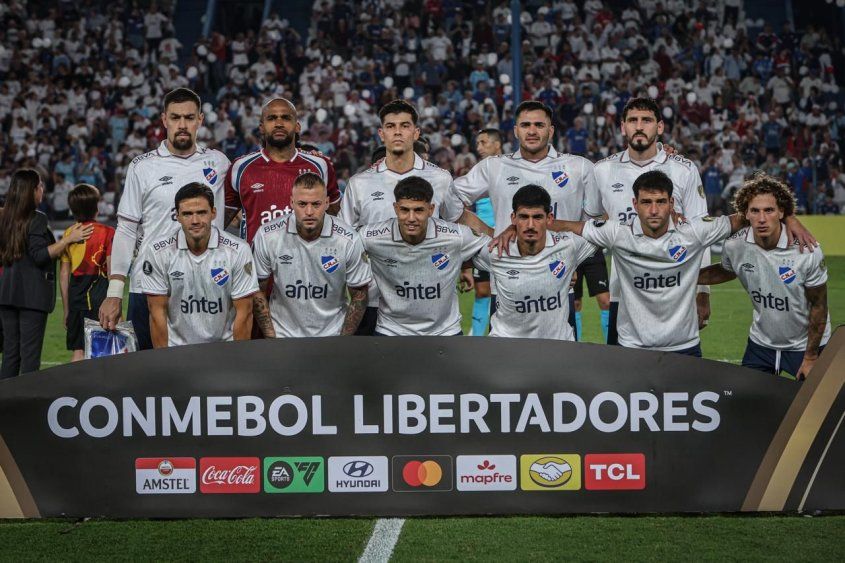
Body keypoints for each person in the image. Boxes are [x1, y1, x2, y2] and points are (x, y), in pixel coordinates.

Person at [444, 100, 602, 337]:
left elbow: (592, 225)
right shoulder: (494, 167)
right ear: (515, 130)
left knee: (561, 363)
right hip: (507, 283)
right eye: (525, 125)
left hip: (558, 282)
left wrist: (574, 260)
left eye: (539, 125)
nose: (532, 131)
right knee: (504, 365)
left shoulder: (578, 167)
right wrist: (491, 233)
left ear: (551, 130)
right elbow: (449, 198)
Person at [553, 170, 751, 356]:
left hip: (684, 346)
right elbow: (561, 226)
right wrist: (567, 264)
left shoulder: (694, 232)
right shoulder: (618, 233)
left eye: (661, 202)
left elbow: (747, 218)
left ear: (672, 203)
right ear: (635, 203)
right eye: (646, 202)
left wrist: (781, 217)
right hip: (633, 348)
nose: (654, 210)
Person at [99, 88, 231, 350]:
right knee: (150, 374)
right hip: (149, 283)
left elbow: (229, 216)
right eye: (175, 117)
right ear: (164, 119)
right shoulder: (142, 166)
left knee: (204, 369)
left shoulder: (219, 163)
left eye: (189, 117)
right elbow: (126, 230)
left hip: (205, 283)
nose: (182, 125)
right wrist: (114, 293)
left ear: (200, 120)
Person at [698, 174, 830, 380]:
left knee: (815, 407)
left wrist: (811, 357)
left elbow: (819, 307)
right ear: (745, 214)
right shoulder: (735, 245)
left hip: (804, 347)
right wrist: (685, 277)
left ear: (781, 213)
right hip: (761, 345)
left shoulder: (807, 252)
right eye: (755, 211)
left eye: (769, 210)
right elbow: (727, 270)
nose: (761, 219)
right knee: (748, 404)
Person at [340, 100, 455, 334]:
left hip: (429, 300)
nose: (398, 132)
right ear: (382, 134)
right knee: (373, 370)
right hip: (372, 299)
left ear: (416, 133)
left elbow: (455, 229)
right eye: (391, 126)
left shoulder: (441, 179)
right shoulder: (360, 184)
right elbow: (344, 239)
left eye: (405, 125)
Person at [361, 176, 489, 336]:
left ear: (431, 209)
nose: (411, 218)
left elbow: (499, 254)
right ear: (395, 208)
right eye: (405, 210)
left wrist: (514, 234)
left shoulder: (456, 236)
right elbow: (341, 249)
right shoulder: (371, 237)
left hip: (445, 333)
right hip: (391, 332)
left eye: (419, 210)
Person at [251, 172, 371, 337]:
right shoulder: (267, 235)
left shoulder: (349, 239)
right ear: (291, 203)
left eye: (316, 204)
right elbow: (258, 289)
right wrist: (271, 335)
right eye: (302, 204)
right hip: (283, 335)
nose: (309, 211)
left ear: (327, 203)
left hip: (332, 335)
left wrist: (343, 339)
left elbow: (360, 292)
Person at [140, 183, 258, 347]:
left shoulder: (238, 250)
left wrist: (236, 360)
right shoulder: (158, 251)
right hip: (178, 351)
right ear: (177, 216)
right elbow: (156, 313)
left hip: (224, 349)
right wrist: (165, 362)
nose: (195, 220)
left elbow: (244, 313)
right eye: (187, 214)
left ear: (213, 213)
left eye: (201, 213)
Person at [0, 169, 92, 376]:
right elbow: (40, 255)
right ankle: (27, 405)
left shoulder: (4, 217)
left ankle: (5, 404)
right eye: (39, 186)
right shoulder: (37, 218)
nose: (42, 190)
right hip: (31, 296)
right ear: (30, 191)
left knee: (10, 355)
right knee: (30, 357)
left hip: (6, 293)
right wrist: (68, 240)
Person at [473, 185, 596, 339]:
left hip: (557, 349)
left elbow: (608, 229)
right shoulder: (496, 252)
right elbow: (458, 243)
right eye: (523, 217)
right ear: (513, 218)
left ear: (549, 218)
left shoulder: (569, 245)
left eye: (537, 217)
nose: (530, 225)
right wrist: (464, 268)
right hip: (507, 349)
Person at [225, 97, 341, 244]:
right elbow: (218, 223)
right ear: (261, 127)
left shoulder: (320, 165)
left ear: (297, 126)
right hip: (256, 264)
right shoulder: (240, 168)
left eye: (286, 118)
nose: (279, 123)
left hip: (307, 263)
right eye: (272, 118)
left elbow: (337, 217)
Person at [59, 184, 115, 362]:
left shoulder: (69, 234)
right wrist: (115, 301)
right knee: (103, 350)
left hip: (76, 300)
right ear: (96, 207)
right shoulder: (107, 232)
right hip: (101, 299)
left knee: (78, 352)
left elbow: (63, 276)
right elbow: (112, 269)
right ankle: (99, 390)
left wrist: (66, 309)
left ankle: (74, 389)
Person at [469, 128, 502, 336]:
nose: (478, 148)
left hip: (507, 242)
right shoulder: (476, 173)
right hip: (482, 242)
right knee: (481, 291)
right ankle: (476, 335)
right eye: (477, 144)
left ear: (497, 144)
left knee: (503, 290)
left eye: (483, 142)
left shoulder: (509, 168)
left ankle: (498, 334)